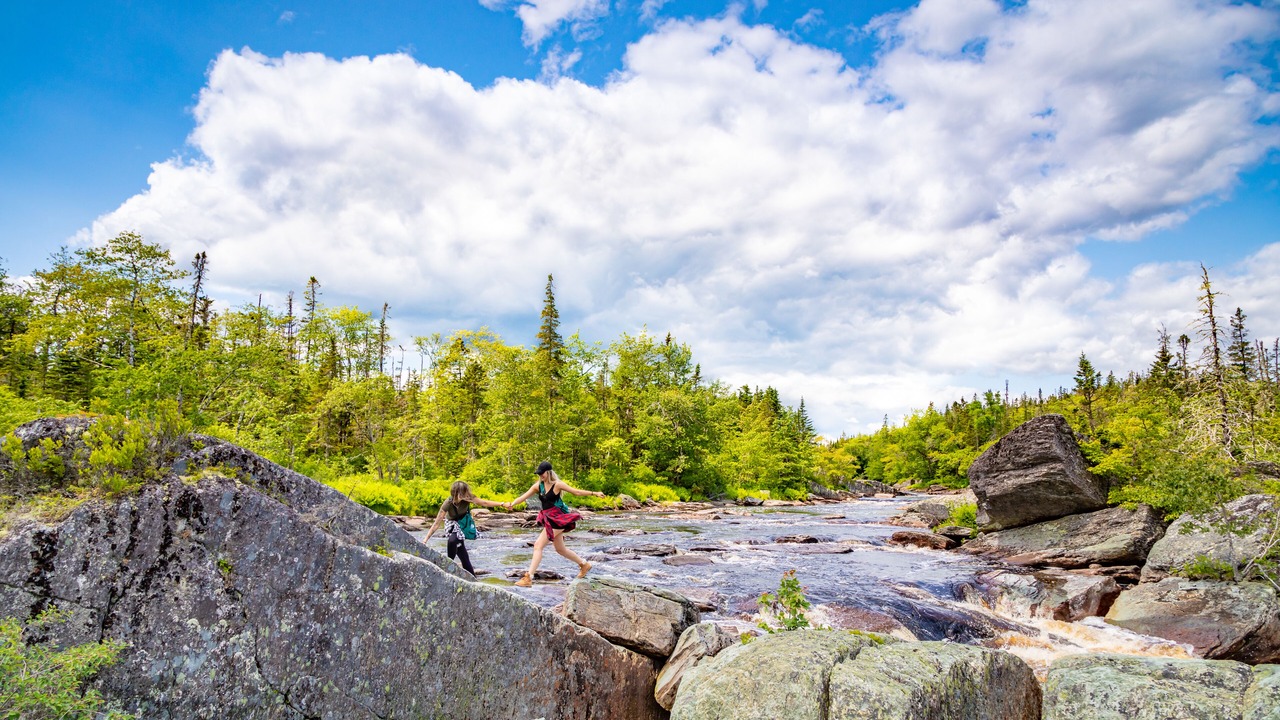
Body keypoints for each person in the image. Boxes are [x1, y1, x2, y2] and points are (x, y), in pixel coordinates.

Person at [507, 461, 605, 587]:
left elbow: (577, 492)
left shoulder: (557, 485)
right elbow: (523, 496)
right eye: (539, 474)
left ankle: (528, 577)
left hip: (559, 519)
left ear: (548, 472)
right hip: (549, 518)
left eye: (542, 473)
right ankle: (584, 564)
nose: (540, 476)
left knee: (538, 545)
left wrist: (594, 493)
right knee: (560, 549)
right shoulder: (539, 486)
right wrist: (512, 504)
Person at [424, 480, 506, 577]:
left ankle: (470, 577)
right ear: (456, 493)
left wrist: (501, 504)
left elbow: (484, 503)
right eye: (464, 492)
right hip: (451, 525)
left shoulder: (469, 498)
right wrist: (426, 539)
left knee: (462, 554)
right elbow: (437, 523)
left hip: (463, 525)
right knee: (454, 542)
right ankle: (448, 567)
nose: (467, 494)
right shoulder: (448, 502)